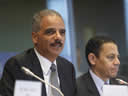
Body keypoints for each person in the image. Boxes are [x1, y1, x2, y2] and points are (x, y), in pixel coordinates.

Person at [0, 9, 76, 96]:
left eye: (62, 32)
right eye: (51, 32)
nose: (58, 37)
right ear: (35, 37)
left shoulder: (68, 68)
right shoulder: (18, 66)